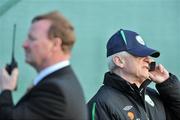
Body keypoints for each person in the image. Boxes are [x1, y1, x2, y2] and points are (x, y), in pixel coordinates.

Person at [0, 11, 87, 120]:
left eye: (32, 39)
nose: (24, 45)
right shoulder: (62, 82)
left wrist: (6, 89)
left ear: (55, 44)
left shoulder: (54, 90)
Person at [88, 29, 180, 120]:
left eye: (147, 55)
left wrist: (168, 84)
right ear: (119, 61)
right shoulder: (102, 103)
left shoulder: (153, 95)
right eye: (139, 54)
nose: (149, 60)